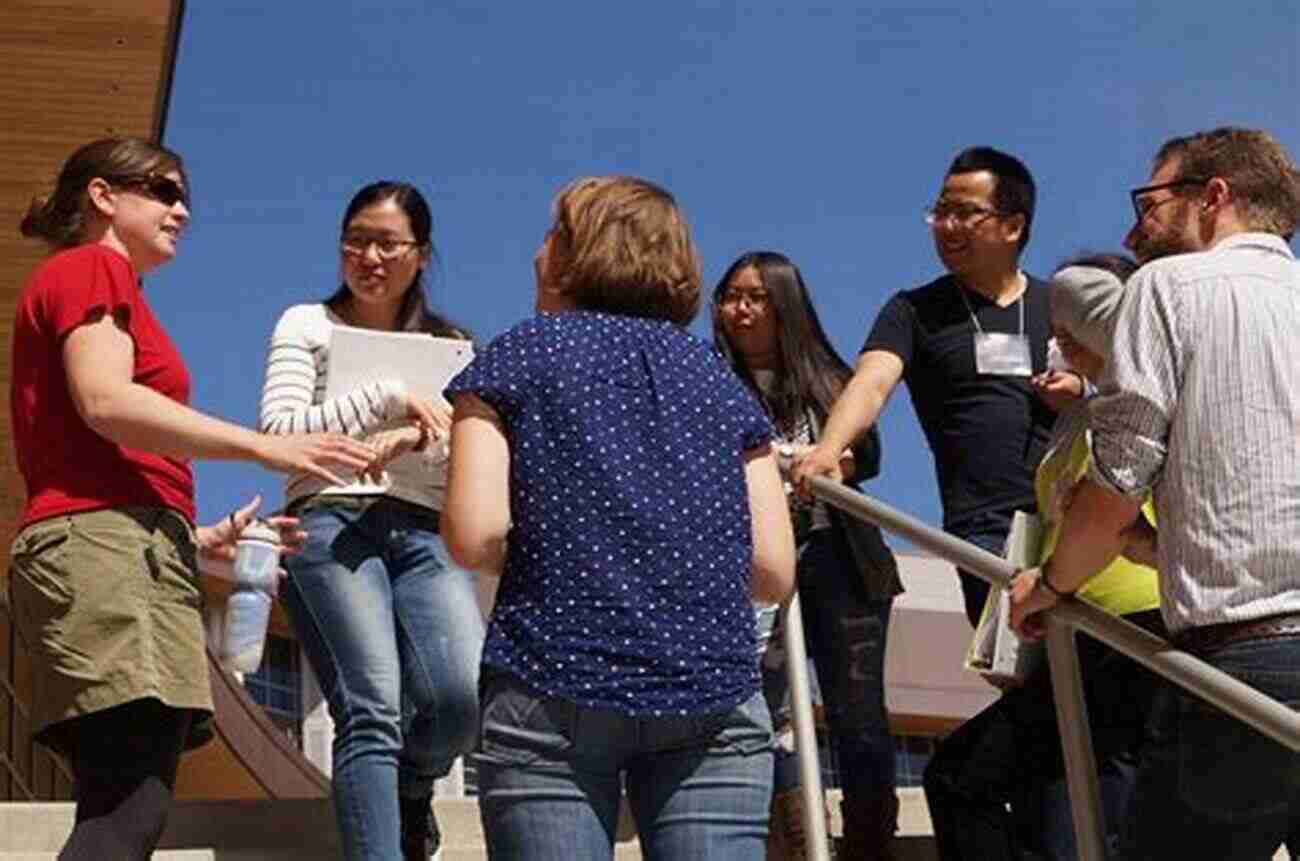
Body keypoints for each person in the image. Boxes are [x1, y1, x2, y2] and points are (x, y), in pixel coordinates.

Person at [8, 137, 373, 860]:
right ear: (103, 196)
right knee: (128, 808)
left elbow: (99, 444)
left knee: (124, 801)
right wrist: (266, 445)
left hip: (125, 543)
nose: (182, 210)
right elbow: (105, 399)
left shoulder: (112, 288)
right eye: (163, 191)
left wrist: (197, 538)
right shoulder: (92, 270)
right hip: (102, 546)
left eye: (186, 199)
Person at [442, 175, 796, 860]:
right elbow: (773, 568)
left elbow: (474, 532)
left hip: (551, 677)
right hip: (713, 688)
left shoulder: (516, 357)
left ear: (578, 255)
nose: (536, 251)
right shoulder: (719, 381)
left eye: (552, 234)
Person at [1010, 127, 1300, 860]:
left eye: (1152, 199)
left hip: (1247, 658)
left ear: (1216, 196)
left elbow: (1116, 480)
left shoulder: (1168, 288)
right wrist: (1151, 544)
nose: (1135, 226)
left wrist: (1052, 582)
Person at [258, 181, 485, 861]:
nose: (369, 255)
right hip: (329, 521)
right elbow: (281, 430)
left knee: (457, 699)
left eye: (388, 242)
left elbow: (461, 458)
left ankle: (412, 793)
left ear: (420, 254)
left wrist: (416, 436)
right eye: (355, 239)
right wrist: (389, 397)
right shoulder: (306, 323)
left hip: (424, 527)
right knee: (371, 706)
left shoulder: (454, 345)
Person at [925, 256, 1163, 861]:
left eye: (1070, 322)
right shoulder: (1081, 417)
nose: (1056, 338)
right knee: (1063, 810)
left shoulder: (1144, 396)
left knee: (966, 778)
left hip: (1134, 626)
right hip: (1074, 632)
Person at [795, 147, 1074, 628]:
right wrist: (830, 447)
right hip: (984, 530)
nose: (946, 227)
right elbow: (872, 383)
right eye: (940, 212)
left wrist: (1080, 391)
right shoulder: (913, 311)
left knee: (1098, 674)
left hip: (1075, 512)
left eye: (965, 213)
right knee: (1022, 666)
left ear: (1013, 226)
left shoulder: (1063, 303)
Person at [713, 251, 903, 860]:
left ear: (785, 307)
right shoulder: (710, 381)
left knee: (857, 712)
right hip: (751, 562)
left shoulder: (825, 373)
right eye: (731, 296)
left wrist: (832, 460)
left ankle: (870, 841)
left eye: (755, 298)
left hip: (838, 553)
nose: (739, 311)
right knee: (755, 708)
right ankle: (786, 831)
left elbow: (863, 451)